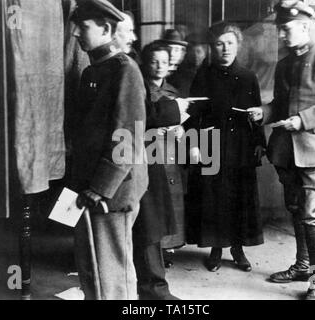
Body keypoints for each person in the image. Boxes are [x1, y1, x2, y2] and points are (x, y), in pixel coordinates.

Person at [248, 0, 315, 300]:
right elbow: (281, 104)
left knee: (312, 217)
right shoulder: (285, 63)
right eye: (280, 29)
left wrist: (302, 120)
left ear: (305, 26)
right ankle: (303, 265)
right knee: (296, 210)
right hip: (287, 151)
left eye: (286, 29)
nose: (281, 35)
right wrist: (263, 112)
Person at [70, 0, 148, 300]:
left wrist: (101, 187)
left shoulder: (124, 69)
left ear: (105, 29)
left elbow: (128, 135)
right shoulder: (93, 71)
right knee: (91, 268)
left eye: (83, 27)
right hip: (90, 186)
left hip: (112, 190)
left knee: (111, 273)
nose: (76, 33)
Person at [187, 21, 265, 273]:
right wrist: (195, 145)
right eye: (219, 44)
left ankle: (238, 249)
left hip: (241, 146)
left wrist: (259, 143)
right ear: (212, 47)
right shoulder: (203, 75)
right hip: (211, 145)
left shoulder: (248, 77)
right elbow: (192, 114)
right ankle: (216, 248)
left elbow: (257, 114)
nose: (225, 48)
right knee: (214, 199)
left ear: (238, 46)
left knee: (239, 198)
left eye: (230, 43)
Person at [132, 42, 189, 300]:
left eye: (164, 61)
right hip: (142, 155)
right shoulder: (139, 86)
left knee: (155, 219)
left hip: (162, 158)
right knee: (147, 221)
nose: (159, 66)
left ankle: (152, 282)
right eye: (153, 61)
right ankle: (150, 286)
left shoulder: (172, 91)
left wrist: (177, 131)